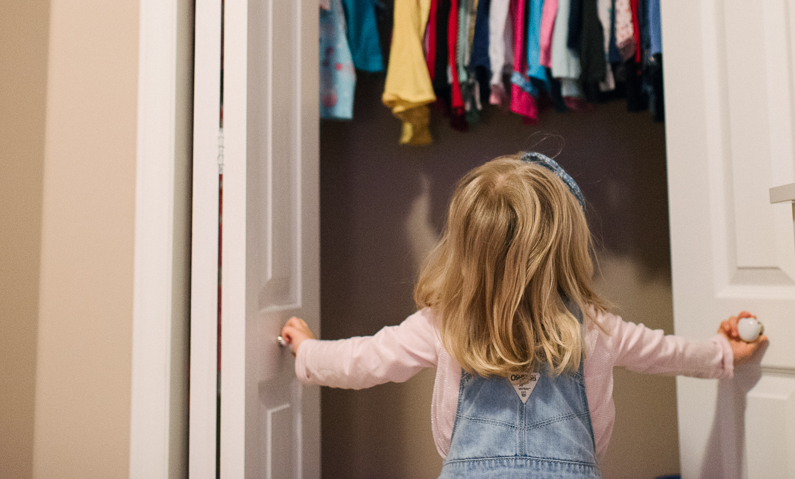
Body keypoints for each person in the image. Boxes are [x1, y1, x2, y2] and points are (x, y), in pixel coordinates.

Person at [281, 152, 767, 477]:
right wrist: (724, 353)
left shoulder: (445, 323)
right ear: (566, 246)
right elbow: (668, 353)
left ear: (465, 250)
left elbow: (363, 361)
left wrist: (306, 350)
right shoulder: (594, 327)